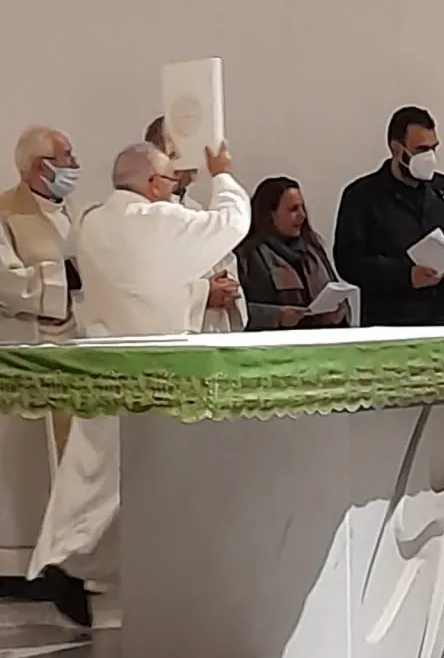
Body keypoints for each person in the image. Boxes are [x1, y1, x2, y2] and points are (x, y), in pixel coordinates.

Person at [29, 140, 251, 627]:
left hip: (106, 370)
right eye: (169, 181)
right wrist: (222, 174)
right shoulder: (160, 220)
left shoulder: (91, 223)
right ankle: (94, 574)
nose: (173, 190)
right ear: (152, 185)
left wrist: (193, 293)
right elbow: (233, 222)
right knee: (136, 489)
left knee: (93, 481)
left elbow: (139, 285)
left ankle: (78, 571)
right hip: (155, 375)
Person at [0, 127, 83, 610]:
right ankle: (22, 563)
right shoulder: (5, 213)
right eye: (65, 156)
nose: (74, 164)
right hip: (27, 349)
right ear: (38, 167)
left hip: (72, 351)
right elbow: (6, 282)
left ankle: (68, 559)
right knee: (30, 466)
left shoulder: (71, 211)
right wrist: (62, 277)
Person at [333, 106, 444, 326]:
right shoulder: (361, 196)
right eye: (421, 149)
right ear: (396, 148)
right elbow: (349, 262)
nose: (429, 157)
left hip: (443, 321)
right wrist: (405, 275)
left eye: (433, 148)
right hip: (389, 325)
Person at [144, 116, 245, 332]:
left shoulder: (196, 210)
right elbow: (146, 286)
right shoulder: (145, 215)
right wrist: (204, 294)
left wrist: (227, 288)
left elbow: (225, 260)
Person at [236, 177, 347, 330]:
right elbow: (235, 309)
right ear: (271, 214)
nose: (302, 215)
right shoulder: (247, 255)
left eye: (302, 208)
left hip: (321, 339)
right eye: (293, 209)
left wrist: (337, 312)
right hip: (275, 341)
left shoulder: (313, 250)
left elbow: (334, 290)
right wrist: (276, 316)